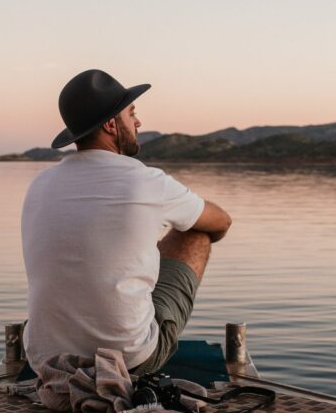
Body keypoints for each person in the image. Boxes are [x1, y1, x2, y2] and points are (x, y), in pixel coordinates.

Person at [21, 69, 232, 375]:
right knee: (196, 233)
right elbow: (221, 222)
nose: (138, 122)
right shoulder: (145, 181)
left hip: (46, 359)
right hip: (129, 359)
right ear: (110, 124)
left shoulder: (39, 185)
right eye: (131, 113)